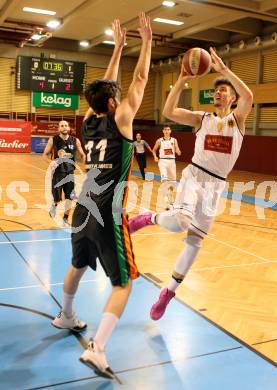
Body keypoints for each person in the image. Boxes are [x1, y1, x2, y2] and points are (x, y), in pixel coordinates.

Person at [52, 14, 152, 378]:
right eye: (114, 94)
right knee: (124, 283)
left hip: (82, 208)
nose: (118, 95)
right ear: (112, 102)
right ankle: (98, 348)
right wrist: (147, 41)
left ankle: (65, 316)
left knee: (78, 264)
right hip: (108, 213)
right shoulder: (122, 118)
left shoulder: (87, 120)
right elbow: (139, 78)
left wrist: (119, 47)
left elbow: (103, 88)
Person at [128, 47, 253, 321]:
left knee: (194, 242)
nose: (219, 93)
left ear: (232, 99)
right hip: (195, 175)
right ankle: (150, 218)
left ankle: (168, 293)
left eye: (224, 91)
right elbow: (170, 110)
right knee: (181, 221)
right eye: (216, 90)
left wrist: (225, 71)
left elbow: (250, 96)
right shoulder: (202, 118)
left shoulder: (238, 120)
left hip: (216, 186)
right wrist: (183, 79)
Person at [43, 120, 86, 225]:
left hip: (70, 173)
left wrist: (85, 164)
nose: (64, 127)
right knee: (57, 198)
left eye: (66, 125)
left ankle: (66, 217)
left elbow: (83, 155)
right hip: (57, 173)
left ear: (69, 128)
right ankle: (54, 206)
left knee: (70, 197)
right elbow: (44, 155)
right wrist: (50, 162)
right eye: (62, 126)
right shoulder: (53, 140)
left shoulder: (75, 141)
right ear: (59, 128)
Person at [152, 126, 181, 207]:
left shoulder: (174, 140)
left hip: (172, 162)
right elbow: (154, 150)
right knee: (164, 180)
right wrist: (155, 156)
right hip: (163, 161)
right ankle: (166, 196)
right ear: (163, 131)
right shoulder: (159, 140)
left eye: (168, 129)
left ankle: (170, 196)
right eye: (165, 129)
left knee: (172, 182)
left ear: (170, 131)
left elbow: (177, 149)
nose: (166, 131)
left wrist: (178, 151)